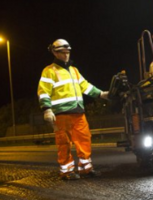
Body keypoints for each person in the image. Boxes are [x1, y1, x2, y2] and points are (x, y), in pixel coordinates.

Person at [37, 39, 109, 180]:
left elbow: (85, 86)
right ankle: (67, 171)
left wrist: (101, 94)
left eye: (67, 52)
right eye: (62, 52)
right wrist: (47, 109)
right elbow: (43, 91)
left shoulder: (74, 71)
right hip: (61, 113)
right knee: (64, 143)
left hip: (78, 112)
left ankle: (86, 169)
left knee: (84, 140)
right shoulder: (49, 71)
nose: (66, 55)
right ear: (54, 52)